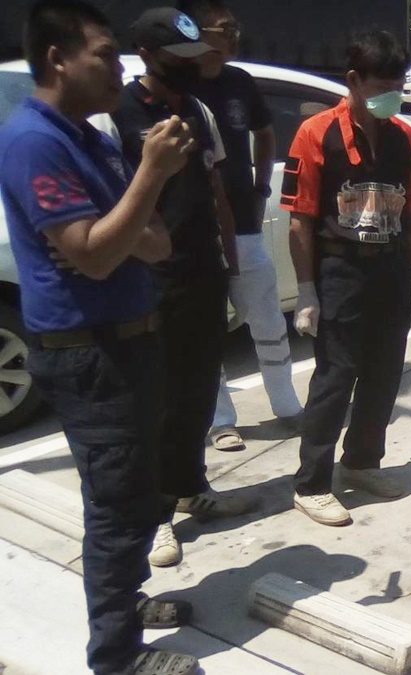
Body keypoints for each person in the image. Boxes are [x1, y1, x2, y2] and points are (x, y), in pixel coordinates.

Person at [0, 2, 200, 672]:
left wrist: (114, 230)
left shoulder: (91, 138)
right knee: (117, 505)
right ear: (58, 59)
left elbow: (154, 242)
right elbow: (94, 254)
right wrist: (150, 177)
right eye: (106, 54)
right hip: (91, 354)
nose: (120, 69)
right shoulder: (34, 140)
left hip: (130, 342)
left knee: (136, 495)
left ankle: (124, 601)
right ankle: (116, 656)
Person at [94, 6, 256, 568]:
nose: (191, 66)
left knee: (197, 390)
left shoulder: (199, 111)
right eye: (178, 58)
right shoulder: (115, 115)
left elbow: (216, 190)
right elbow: (108, 204)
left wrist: (230, 263)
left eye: (195, 56)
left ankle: (190, 487)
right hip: (145, 281)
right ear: (146, 55)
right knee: (154, 401)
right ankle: (155, 514)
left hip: (201, 271)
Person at [282, 30, 411, 527]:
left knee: (384, 373)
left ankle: (362, 462)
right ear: (353, 80)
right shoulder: (316, 134)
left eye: (397, 85)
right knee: (335, 376)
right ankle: (311, 484)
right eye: (381, 86)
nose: (391, 94)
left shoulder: (403, 137)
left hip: (389, 268)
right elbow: (300, 220)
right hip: (340, 270)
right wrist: (307, 289)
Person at [182, 0, 304, 452]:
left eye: (234, 29)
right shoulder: (181, 87)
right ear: (197, 34)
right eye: (223, 29)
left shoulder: (239, 82)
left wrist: (260, 184)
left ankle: (287, 405)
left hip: (245, 225)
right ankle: (221, 421)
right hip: (196, 231)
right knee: (207, 327)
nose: (232, 36)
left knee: (267, 318)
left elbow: (265, 133)